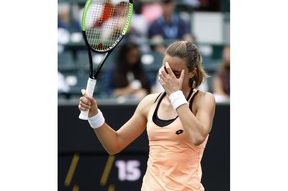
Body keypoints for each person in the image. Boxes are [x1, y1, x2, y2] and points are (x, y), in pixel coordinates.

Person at [78, 40, 216, 190]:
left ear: (192, 72)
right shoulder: (149, 103)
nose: (168, 77)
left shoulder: (203, 100)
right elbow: (115, 144)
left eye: (176, 74)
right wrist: (94, 114)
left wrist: (175, 95)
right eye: (165, 69)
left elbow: (197, 137)